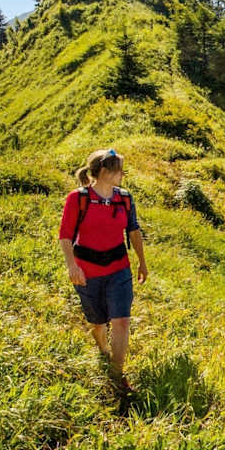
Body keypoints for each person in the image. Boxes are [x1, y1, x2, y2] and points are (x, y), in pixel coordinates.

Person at [57, 148, 148, 393]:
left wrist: (142, 260)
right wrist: (71, 265)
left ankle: (117, 377)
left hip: (119, 268)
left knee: (122, 321)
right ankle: (103, 351)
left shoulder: (125, 198)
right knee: (98, 324)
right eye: (119, 169)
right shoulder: (78, 198)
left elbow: (134, 231)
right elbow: (65, 235)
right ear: (105, 171)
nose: (123, 174)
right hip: (87, 271)